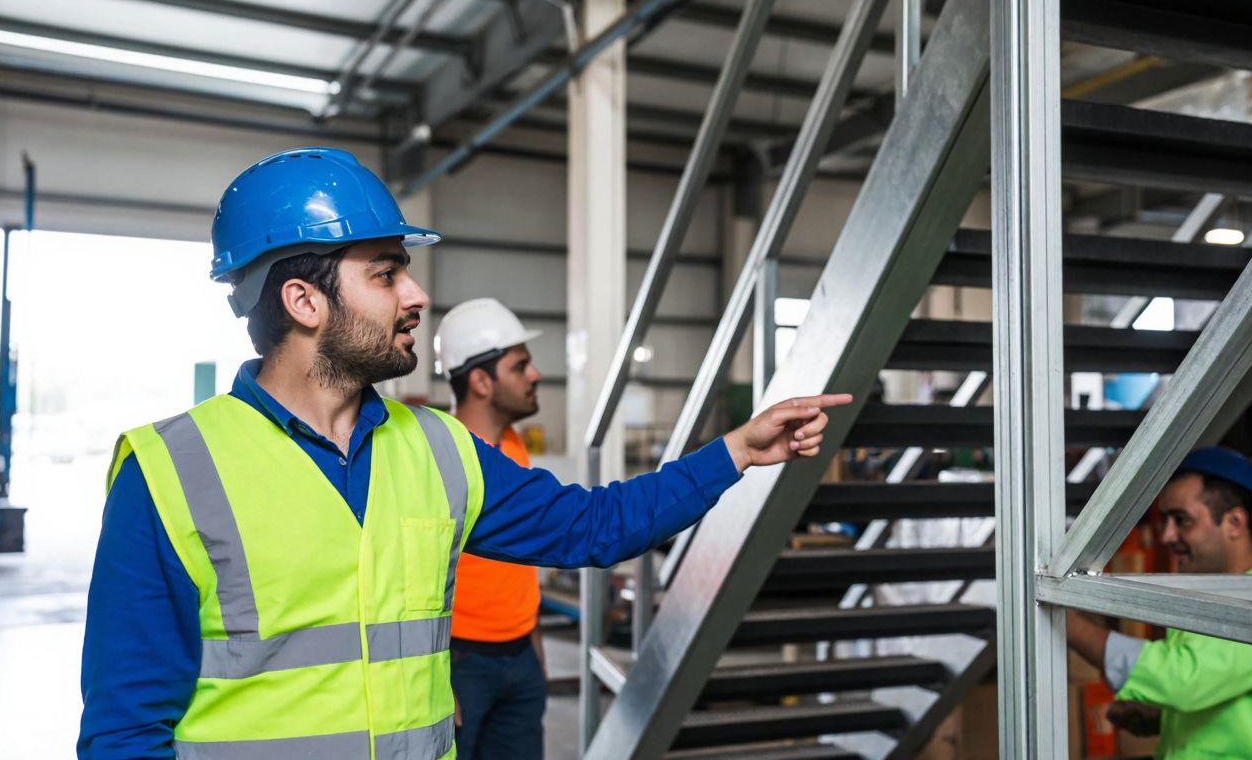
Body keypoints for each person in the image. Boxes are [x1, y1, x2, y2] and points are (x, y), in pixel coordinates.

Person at [77, 147, 851, 760]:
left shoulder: (442, 452)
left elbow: (594, 527)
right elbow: (124, 730)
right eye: (386, 274)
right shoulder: (172, 472)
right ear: (303, 301)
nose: (415, 295)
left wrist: (735, 452)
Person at [1066, 446, 1252, 759]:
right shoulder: (1210, 593)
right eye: (1165, 520)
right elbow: (1213, 687)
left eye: (1182, 520)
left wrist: (1071, 626)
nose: (1167, 535)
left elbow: (1182, 678)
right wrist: (1164, 719)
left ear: (1234, 523)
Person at [435, 297, 550, 759]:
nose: (535, 375)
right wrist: (436, 675)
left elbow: (522, 561)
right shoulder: (443, 457)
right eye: (520, 366)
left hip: (520, 656)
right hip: (461, 663)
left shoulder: (515, 445)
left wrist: (534, 648)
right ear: (481, 381)